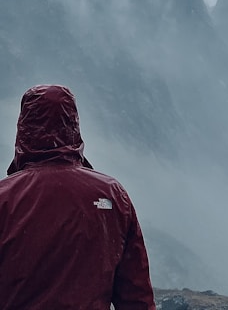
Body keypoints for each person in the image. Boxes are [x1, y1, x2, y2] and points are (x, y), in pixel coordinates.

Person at [0, 84, 156, 310]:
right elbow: (136, 297)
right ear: (73, 125)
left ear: (23, 128)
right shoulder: (112, 195)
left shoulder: (4, 198)